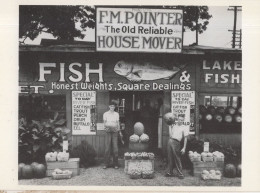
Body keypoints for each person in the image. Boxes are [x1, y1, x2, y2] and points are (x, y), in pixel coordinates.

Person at [165, 114, 189, 179]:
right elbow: (170, 135)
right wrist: (170, 126)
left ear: (183, 120)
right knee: (170, 157)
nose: (180, 121)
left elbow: (185, 138)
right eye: (179, 119)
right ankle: (169, 172)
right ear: (177, 119)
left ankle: (180, 174)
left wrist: (184, 148)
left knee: (177, 158)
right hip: (170, 141)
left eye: (182, 120)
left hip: (176, 142)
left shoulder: (184, 127)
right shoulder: (174, 126)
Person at [103, 100, 120, 169]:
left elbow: (118, 122)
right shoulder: (105, 114)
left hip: (115, 131)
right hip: (108, 131)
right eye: (111, 106)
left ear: (114, 107)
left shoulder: (116, 114)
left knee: (115, 148)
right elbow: (104, 123)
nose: (112, 107)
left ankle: (115, 164)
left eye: (113, 106)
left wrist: (118, 129)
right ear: (109, 106)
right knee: (107, 148)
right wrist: (105, 128)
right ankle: (106, 164)